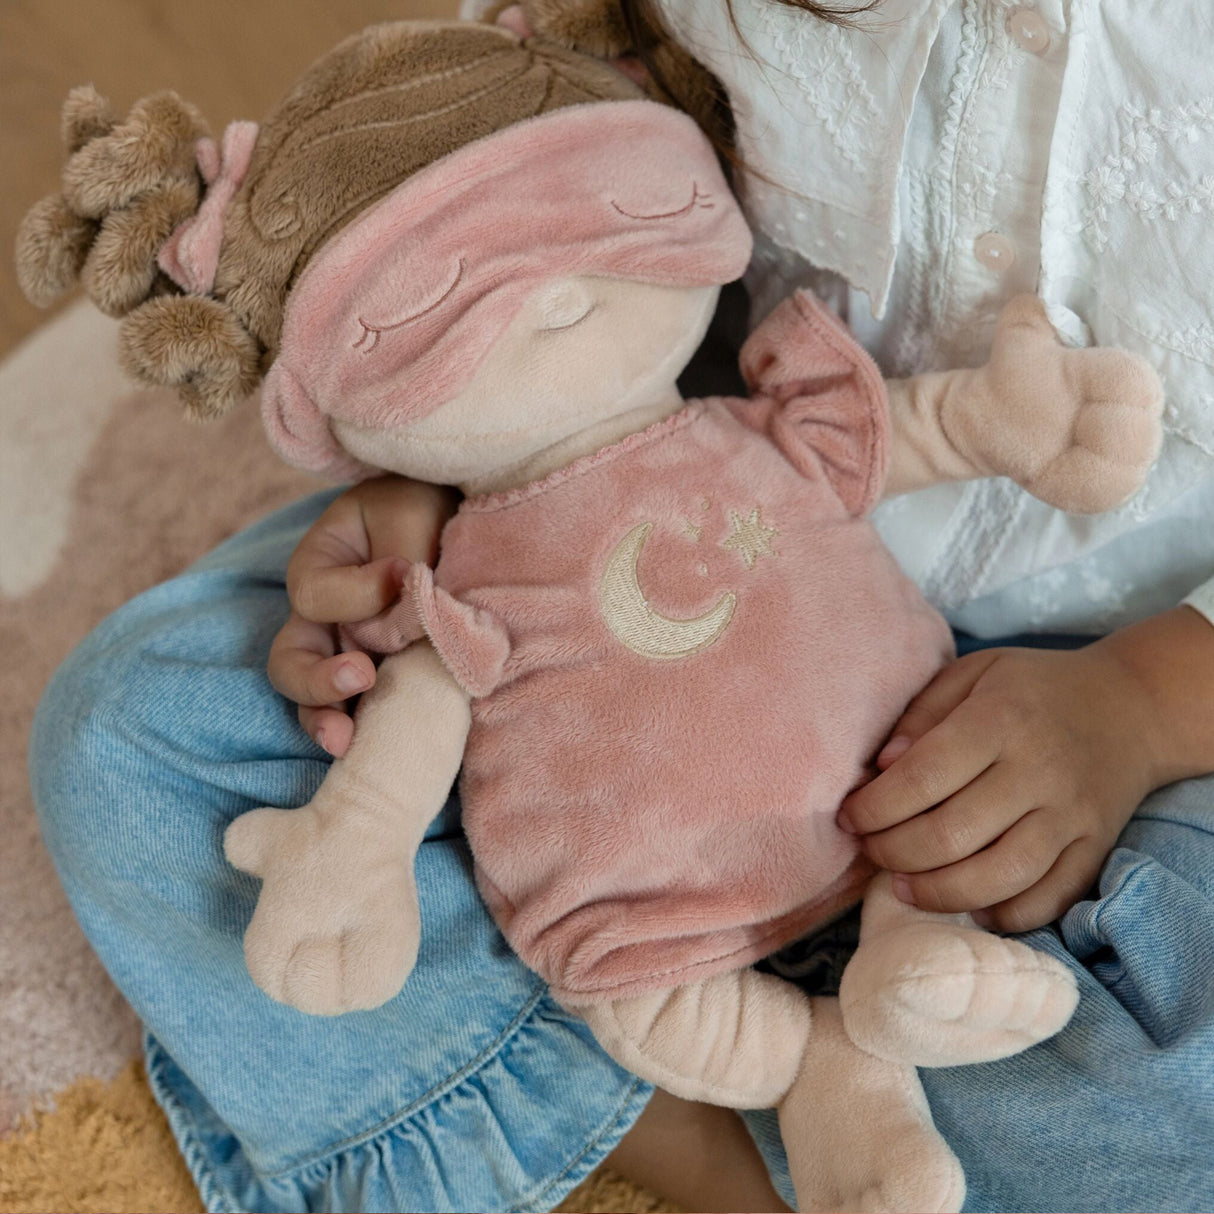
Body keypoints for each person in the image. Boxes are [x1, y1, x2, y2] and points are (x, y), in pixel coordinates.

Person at [28, 1, 1214, 1211]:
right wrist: (436, 460)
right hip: (632, 476)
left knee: (1184, 1081)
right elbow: (494, 138)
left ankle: (786, 1087)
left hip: (1133, 675)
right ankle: (713, 1124)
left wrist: (1143, 703)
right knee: (129, 735)